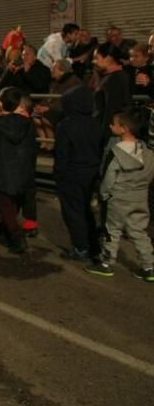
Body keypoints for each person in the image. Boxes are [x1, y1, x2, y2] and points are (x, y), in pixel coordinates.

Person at [87, 110, 154, 281]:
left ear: (123, 128)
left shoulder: (117, 151)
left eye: (114, 124)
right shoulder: (146, 151)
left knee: (112, 230)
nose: (111, 126)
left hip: (118, 198)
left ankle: (106, 263)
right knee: (138, 231)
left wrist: (103, 194)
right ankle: (148, 265)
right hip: (139, 197)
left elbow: (109, 176)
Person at [0, 88, 38, 254]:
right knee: (13, 203)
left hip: (2, 171)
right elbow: (33, 149)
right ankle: (8, 234)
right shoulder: (28, 124)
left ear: (0, 103)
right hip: (23, 170)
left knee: (5, 205)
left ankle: (17, 237)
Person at [53, 87, 104, 261]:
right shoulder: (96, 123)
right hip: (91, 172)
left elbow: (62, 154)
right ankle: (93, 245)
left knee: (73, 212)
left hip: (71, 173)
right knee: (86, 210)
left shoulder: (66, 125)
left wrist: (58, 175)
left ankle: (80, 247)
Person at [93, 42, 131, 136]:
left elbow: (111, 109)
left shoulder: (115, 78)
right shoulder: (112, 76)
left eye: (97, 58)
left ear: (108, 58)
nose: (95, 61)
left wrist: (104, 134)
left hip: (112, 132)